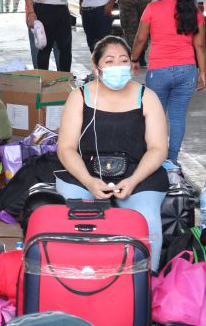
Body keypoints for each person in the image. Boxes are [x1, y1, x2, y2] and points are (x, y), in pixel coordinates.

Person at [56, 36, 169, 271]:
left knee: (147, 224)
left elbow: (158, 148)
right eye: (109, 61)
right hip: (84, 173)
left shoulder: (147, 97)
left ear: (131, 64)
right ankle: (79, 281)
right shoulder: (79, 96)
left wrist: (133, 180)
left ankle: (146, 285)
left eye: (123, 60)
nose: (117, 66)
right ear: (96, 66)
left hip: (139, 174)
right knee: (75, 224)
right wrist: (88, 181)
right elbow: (66, 147)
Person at [132, 0, 206, 163]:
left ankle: (153, 159)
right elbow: (199, 45)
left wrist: (133, 59)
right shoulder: (193, 11)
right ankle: (171, 161)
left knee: (154, 116)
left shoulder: (152, 8)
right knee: (177, 117)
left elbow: (140, 38)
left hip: (159, 71)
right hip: (187, 70)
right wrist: (202, 73)